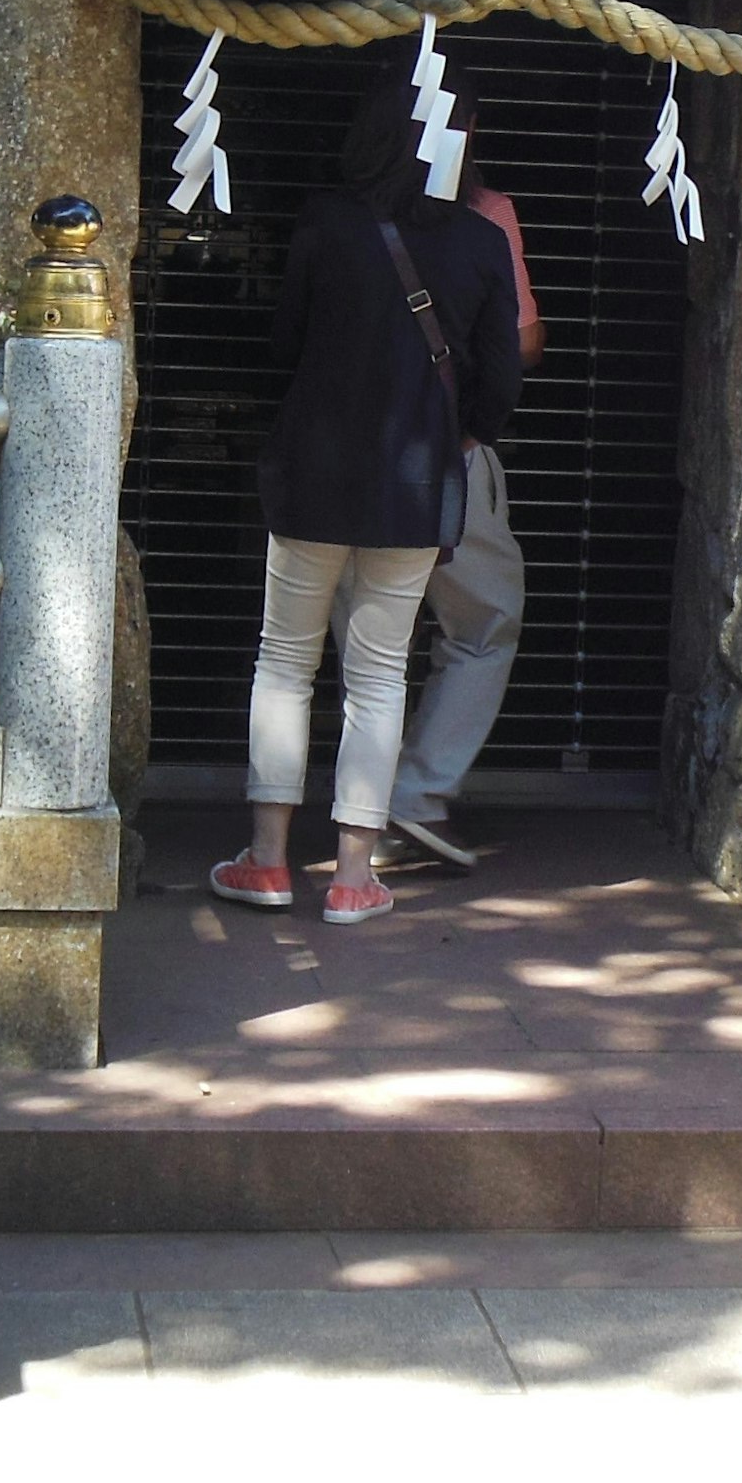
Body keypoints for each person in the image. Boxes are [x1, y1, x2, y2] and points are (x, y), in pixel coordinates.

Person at [211, 71, 521, 925]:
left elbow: (285, 343)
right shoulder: (479, 242)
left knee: (284, 660)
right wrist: (455, 435)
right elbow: (500, 381)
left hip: (313, 473)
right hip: (416, 486)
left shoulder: (325, 222)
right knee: (379, 676)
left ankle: (268, 862)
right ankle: (353, 877)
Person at [374, 97, 545, 869]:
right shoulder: (486, 215)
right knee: (482, 622)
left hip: (355, 452)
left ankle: (355, 812)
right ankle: (414, 796)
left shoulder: (347, 215)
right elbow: (522, 344)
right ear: (466, 129)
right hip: (455, 449)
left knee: (362, 637)